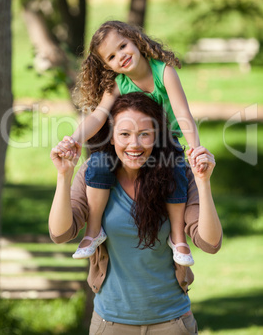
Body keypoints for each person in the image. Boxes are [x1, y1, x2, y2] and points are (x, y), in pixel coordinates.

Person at [50, 93, 222, 335]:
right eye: (124, 134)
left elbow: (211, 242)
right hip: (109, 324)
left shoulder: (177, 176)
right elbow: (60, 233)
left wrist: (203, 182)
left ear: (157, 136)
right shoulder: (94, 175)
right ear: (111, 136)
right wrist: (63, 175)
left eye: (144, 134)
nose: (134, 144)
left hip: (172, 323)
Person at [59, 20, 203, 265]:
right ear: (107, 66)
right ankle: (93, 231)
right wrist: (74, 139)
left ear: (136, 40)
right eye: (112, 57)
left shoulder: (164, 72)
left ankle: (178, 237)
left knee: (176, 169)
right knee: (99, 162)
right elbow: (97, 115)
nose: (121, 56)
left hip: (166, 142)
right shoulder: (118, 84)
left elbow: (182, 113)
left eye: (123, 46)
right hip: (132, 146)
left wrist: (195, 148)